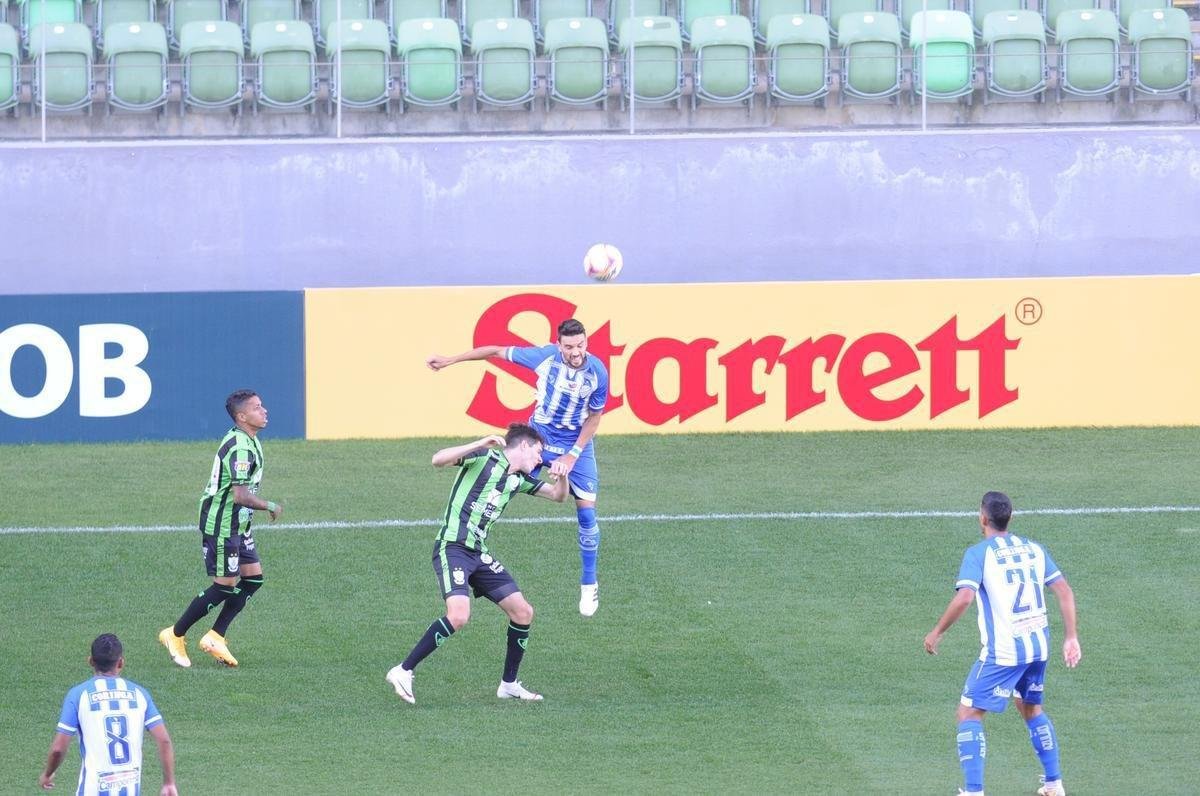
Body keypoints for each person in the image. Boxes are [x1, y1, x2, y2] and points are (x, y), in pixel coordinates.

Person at [426, 318, 608, 617]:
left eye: (581, 345)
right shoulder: (543, 358)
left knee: (586, 510)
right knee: (505, 482)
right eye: (569, 346)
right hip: (541, 438)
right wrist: (450, 360)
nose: (576, 352)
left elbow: (595, 418)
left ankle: (589, 584)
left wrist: (572, 457)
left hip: (577, 444)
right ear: (558, 344)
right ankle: (468, 549)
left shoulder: (597, 372)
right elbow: (495, 351)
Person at [386, 423, 568, 705]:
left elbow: (558, 496)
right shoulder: (483, 458)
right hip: (453, 547)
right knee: (459, 616)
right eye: (538, 452)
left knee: (522, 612)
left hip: (478, 554)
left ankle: (508, 685)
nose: (539, 460)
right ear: (523, 445)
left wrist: (562, 478)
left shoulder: (519, 479)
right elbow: (438, 460)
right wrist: (479, 443)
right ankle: (403, 670)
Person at [924, 491, 1082, 796]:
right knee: (1031, 708)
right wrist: (1071, 636)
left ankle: (973, 791)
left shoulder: (978, 554)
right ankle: (1054, 784)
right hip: (1039, 647)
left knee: (968, 714)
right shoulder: (1034, 549)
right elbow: (1064, 590)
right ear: (1010, 517)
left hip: (1005, 652)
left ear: (983, 518)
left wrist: (937, 631)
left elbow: (966, 596)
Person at [159, 389, 283, 669]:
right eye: (257, 407)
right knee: (224, 586)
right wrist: (270, 505)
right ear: (242, 416)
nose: (264, 411)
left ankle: (216, 636)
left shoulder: (249, 439)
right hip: (223, 524)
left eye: (262, 405)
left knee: (253, 579)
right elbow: (240, 495)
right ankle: (175, 634)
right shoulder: (240, 446)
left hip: (239, 523)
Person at [40, 634, 177, 796]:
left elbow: (58, 749)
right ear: (121, 662)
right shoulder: (140, 694)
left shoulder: (78, 695)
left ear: (91, 661)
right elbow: (164, 740)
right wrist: (169, 783)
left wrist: (47, 774)